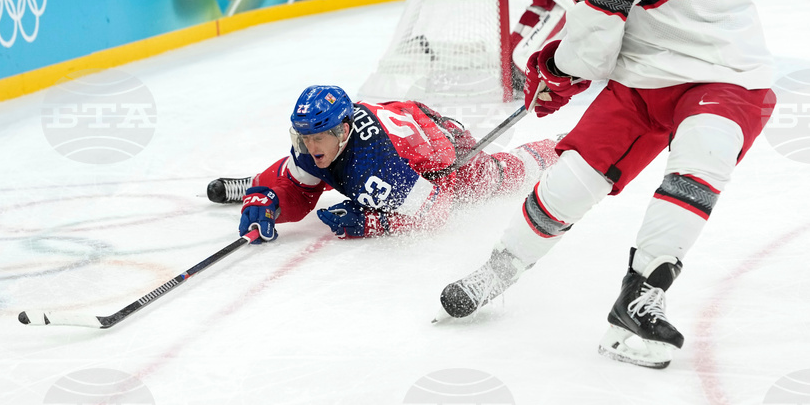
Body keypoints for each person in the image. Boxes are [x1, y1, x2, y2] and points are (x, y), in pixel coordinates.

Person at [437, 0, 776, 369]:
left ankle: (639, 299)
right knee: (572, 181)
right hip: (646, 69)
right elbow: (596, 27)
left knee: (700, 160)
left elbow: (591, 53)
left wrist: (555, 70)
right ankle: (498, 270)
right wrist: (559, 64)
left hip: (724, 68)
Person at [208, 85, 559, 242]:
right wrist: (273, 200)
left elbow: (438, 209)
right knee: (316, 165)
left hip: (440, 151)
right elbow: (301, 189)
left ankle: (554, 148)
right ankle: (256, 184)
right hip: (396, 122)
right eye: (303, 136)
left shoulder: (379, 171)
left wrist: (372, 219)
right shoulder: (322, 140)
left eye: (318, 136)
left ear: (343, 130)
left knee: (493, 176)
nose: (308, 144)